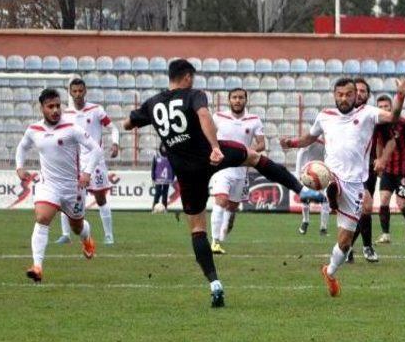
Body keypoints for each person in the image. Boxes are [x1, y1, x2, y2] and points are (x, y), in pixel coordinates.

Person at [123, 59, 325, 308]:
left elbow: (128, 124)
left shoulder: (153, 103)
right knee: (254, 157)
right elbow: (205, 116)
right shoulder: (193, 94)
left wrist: (139, 122)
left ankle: (214, 283)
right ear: (187, 77)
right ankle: (301, 190)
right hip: (206, 155)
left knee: (197, 228)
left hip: (185, 171)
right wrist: (216, 147)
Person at [281, 76, 405, 297]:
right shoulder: (325, 116)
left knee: (344, 243)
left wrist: (400, 96)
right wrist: (292, 143)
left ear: (356, 96)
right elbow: (309, 138)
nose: (344, 98)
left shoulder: (368, 114)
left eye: (348, 94)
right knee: (330, 181)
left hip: (355, 184)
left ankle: (330, 271)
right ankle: (331, 193)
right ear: (335, 95)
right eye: (340, 94)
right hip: (331, 174)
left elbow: (394, 116)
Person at [15, 88, 103, 282]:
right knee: (42, 217)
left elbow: (96, 150)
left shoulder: (72, 128)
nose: (55, 110)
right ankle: (37, 267)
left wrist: (87, 172)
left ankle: (86, 239)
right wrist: (19, 168)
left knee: (77, 227)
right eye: (50, 106)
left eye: (57, 106)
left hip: (73, 188)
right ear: (42, 108)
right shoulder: (33, 130)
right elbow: (22, 147)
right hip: (49, 186)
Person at [56, 78, 119, 245]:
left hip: (95, 160)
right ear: (70, 92)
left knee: (100, 198)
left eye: (80, 91)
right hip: (74, 162)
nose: (77, 94)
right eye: (74, 91)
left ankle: (108, 235)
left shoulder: (96, 110)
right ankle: (65, 235)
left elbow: (113, 128)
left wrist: (115, 143)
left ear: (85, 91)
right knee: (66, 198)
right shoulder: (66, 115)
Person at [210, 88, 265, 254]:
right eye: (234, 97)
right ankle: (214, 242)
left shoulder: (254, 120)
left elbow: (261, 144)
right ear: (229, 100)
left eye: (241, 97)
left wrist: (246, 153)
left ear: (246, 100)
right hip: (222, 168)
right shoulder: (218, 117)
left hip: (241, 170)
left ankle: (225, 230)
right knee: (220, 200)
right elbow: (208, 137)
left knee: (232, 207)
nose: (237, 100)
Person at [345, 77, 391, 263]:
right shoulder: (342, 114)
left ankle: (352, 247)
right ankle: (362, 247)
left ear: (368, 95)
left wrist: (382, 158)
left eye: (364, 91)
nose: (360, 93)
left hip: (368, 168)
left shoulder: (373, 115)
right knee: (360, 208)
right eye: (357, 90)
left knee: (364, 208)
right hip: (347, 168)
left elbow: (390, 140)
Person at [373, 95, 405, 244]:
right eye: (380, 107)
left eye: (386, 106)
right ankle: (386, 234)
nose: (383, 109)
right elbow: (380, 144)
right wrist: (379, 161)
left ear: (392, 107)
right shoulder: (379, 125)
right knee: (384, 200)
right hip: (388, 170)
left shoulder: (403, 123)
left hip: (404, 170)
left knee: (402, 204)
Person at [296, 138, 330, 236]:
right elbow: (300, 154)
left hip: (322, 174)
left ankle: (323, 228)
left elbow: (328, 157)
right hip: (308, 174)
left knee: (325, 200)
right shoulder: (310, 139)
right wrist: (298, 174)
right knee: (305, 198)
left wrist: (329, 172)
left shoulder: (327, 142)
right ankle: (305, 221)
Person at [151, 144, 174, 213]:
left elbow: (173, 167)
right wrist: (153, 176)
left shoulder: (170, 155)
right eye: (163, 146)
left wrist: (173, 177)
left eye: (165, 146)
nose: (164, 148)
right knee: (157, 193)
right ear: (161, 147)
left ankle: (165, 208)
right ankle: (154, 208)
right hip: (158, 179)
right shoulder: (156, 155)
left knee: (165, 194)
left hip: (167, 179)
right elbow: (153, 166)